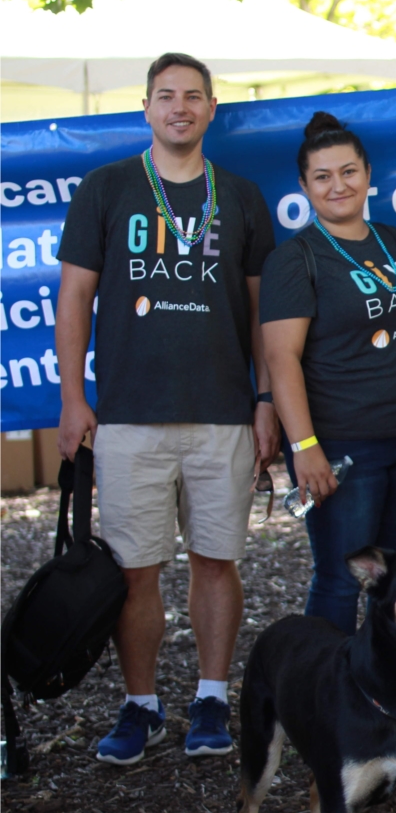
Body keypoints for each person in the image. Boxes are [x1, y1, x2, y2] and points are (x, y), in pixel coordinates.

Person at [55, 52, 278, 764]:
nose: (179, 107)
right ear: (147, 109)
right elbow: (74, 298)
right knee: (133, 569)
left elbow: (263, 313)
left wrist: (268, 398)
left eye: (192, 97)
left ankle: (212, 696)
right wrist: (70, 398)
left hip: (223, 415)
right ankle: (142, 704)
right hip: (128, 416)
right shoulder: (107, 187)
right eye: (165, 96)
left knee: (217, 561)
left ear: (212, 109)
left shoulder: (240, 195)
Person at [260, 111, 396, 635]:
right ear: (304, 186)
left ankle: (386, 700)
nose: (337, 186)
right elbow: (281, 359)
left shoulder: (391, 239)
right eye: (322, 177)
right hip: (342, 446)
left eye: (348, 172)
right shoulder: (296, 258)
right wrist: (304, 446)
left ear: (367, 173)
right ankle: (328, 707)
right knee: (341, 580)